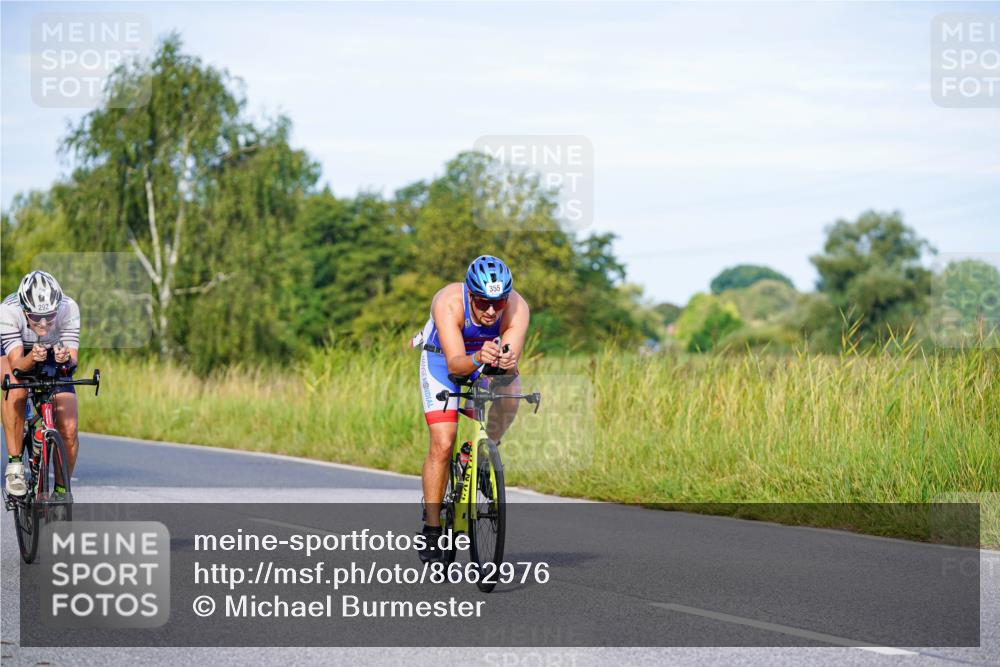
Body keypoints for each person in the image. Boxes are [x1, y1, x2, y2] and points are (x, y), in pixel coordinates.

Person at [415, 255, 530, 562]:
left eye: (499, 302)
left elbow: (509, 366)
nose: (492, 311)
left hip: (484, 358)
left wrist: (506, 362)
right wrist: (479, 357)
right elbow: (455, 365)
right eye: (482, 302)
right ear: (469, 294)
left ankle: (483, 455)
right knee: (443, 441)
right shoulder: (448, 302)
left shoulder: (518, 307)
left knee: (512, 389)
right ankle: (432, 527)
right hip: (443, 359)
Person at [1, 271, 81, 497]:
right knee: (14, 387)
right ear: (25, 310)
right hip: (16, 350)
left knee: (69, 429)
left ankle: (61, 490)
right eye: (36, 317)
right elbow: (16, 365)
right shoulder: (8, 311)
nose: (44, 323)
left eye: (50, 316)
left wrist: (66, 359)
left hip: (50, 350)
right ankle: (15, 465)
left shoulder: (68, 307)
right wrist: (31, 358)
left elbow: (72, 362)